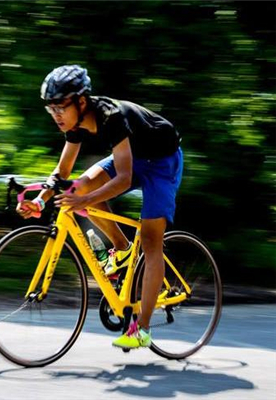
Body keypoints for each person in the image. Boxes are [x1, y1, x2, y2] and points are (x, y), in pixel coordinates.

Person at [17, 64, 183, 350]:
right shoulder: (75, 125)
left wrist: (83, 202)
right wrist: (40, 201)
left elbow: (124, 178)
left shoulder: (111, 117)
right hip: (134, 156)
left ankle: (141, 330)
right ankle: (121, 248)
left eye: (60, 107)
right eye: (50, 108)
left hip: (162, 162)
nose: (55, 114)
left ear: (81, 102)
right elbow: (63, 171)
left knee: (150, 241)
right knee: (81, 185)